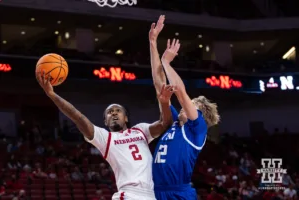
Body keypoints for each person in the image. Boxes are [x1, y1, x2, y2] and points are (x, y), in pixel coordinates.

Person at [36, 70, 175, 200]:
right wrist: (52, 95)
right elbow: (78, 117)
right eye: (109, 112)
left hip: (151, 195)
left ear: (126, 118)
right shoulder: (106, 138)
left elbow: (165, 124)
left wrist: (164, 103)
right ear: (105, 121)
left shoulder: (141, 130)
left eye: (118, 111)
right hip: (128, 194)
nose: (114, 113)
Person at [149, 16, 220, 200]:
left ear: (200, 114)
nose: (184, 106)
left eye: (192, 104)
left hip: (178, 193)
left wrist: (166, 63)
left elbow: (180, 92)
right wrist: (153, 42)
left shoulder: (197, 129)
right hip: (156, 191)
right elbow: (159, 84)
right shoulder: (174, 122)